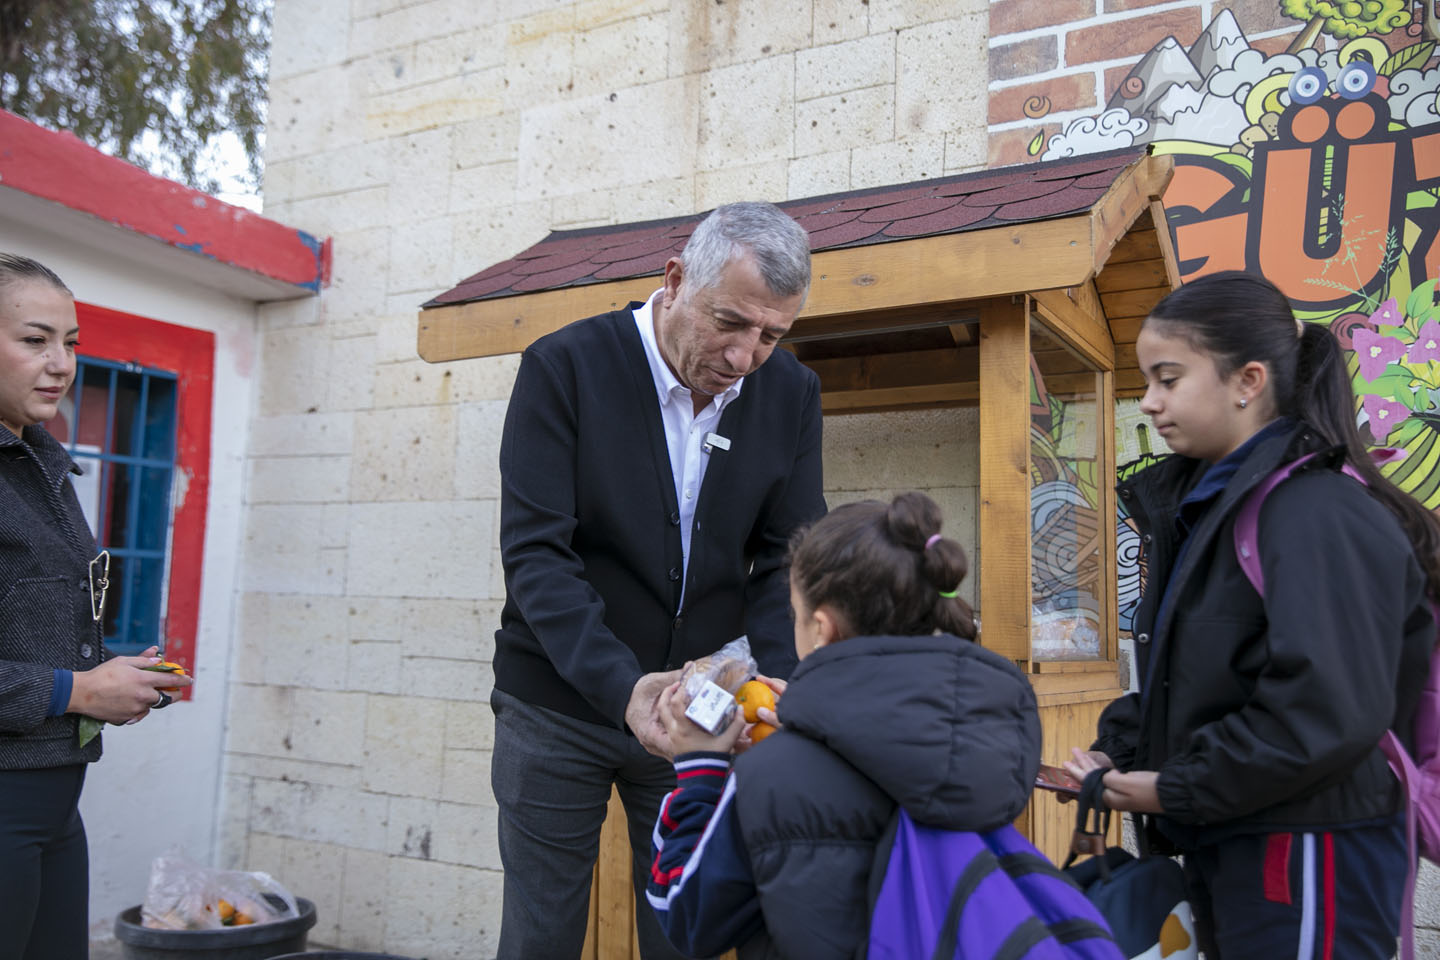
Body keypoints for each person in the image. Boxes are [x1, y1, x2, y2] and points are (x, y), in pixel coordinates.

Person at [1063, 270, 1437, 959]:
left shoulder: (1315, 512)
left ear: (1248, 380)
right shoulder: (1211, 510)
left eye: (1168, 378)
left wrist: (1173, 787)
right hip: (1241, 836)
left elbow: (1325, 709)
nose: (1148, 402)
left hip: (1308, 848)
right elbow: (1206, 676)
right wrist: (1118, 756)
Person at [492, 202, 826, 959]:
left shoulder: (793, 394)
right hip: (553, 704)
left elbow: (788, 559)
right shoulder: (563, 366)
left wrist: (771, 684)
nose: (746, 357)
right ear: (673, 281)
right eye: (730, 322)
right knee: (540, 935)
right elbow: (538, 555)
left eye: (772, 335)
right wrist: (625, 687)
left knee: (688, 933)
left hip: (697, 715)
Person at [646, 492, 1042, 960]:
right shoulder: (993, 732)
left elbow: (688, 917)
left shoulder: (776, 775)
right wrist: (817, 725)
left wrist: (698, 770)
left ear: (822, 626)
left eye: (793, 615)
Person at [0, 253, 194, 960]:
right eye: (34, 339)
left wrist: (113, 679)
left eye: (72, 343)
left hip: (55, 801)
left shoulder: (44, 465)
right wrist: (80, 689)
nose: (60, 363)